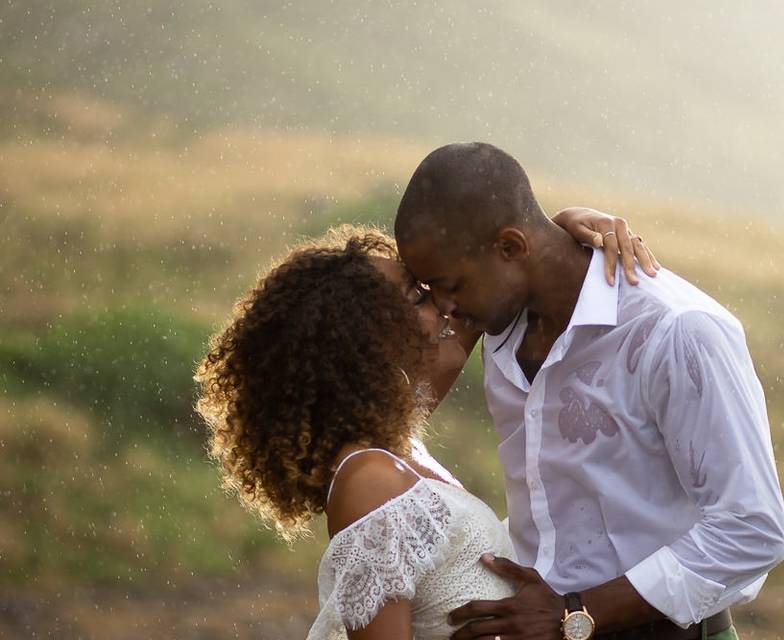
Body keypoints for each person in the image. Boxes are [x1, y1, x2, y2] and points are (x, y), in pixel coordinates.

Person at [194, 211, 657, 640]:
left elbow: (494, 290)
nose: (444, 306)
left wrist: (563, 223)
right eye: (418, 297)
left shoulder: (395, 442)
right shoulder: (368, 480)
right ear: (370, 335)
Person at [394, 142, 784, 640]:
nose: (446, 307)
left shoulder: (676, 331)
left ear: (512, 248)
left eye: (451, 285)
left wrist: (575, 613)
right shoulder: (498, 330)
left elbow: (752, 529)